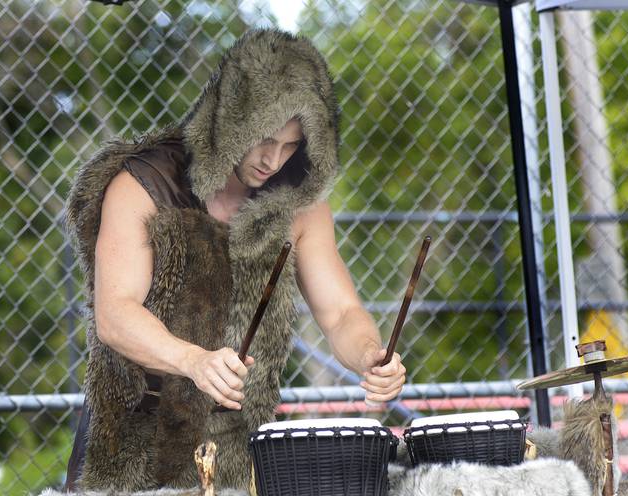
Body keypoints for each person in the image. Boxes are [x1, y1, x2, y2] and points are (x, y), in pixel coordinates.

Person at [63, 28, 406, 492]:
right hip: (133, 436)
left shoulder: (298, 201)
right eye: (264, 139)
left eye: (291, 146)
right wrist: (193, 360)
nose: (273, 159)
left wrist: (370, 355)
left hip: (238, 442)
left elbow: (341, 312)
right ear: (229, 121)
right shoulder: (143, 182)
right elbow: (115, 314)